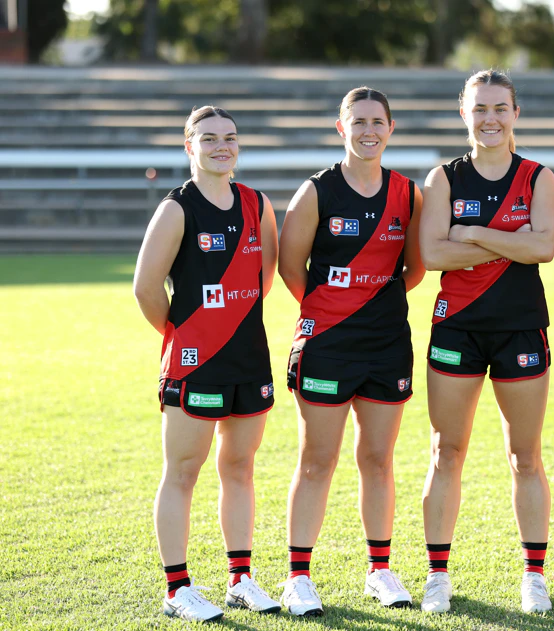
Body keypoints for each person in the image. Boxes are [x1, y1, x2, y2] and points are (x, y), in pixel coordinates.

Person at [277, 87, 425, 616]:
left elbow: (414, 269)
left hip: (387, 344)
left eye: (377, 121)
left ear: (390, 128)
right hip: (327, 344)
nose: (368, 130)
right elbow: (290, 267)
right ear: (341, 128)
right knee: (317, 460)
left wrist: (369, 304)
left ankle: (379, 571)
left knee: (378, 459)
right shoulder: (317, 192)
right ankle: (297, 578)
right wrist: (334, 308)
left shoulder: (408, 194)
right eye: (357, 121)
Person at [418, 69, 554, 614]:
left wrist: (474, 233)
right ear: (465, 113)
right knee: (446, 451)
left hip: (520, 327)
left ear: (515, 113)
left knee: (525, 456)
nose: (490, 119)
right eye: (479, 108)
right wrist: (512, 241)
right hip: (457, 327)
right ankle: (437, 575)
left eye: (500, 108)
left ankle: (533, 576)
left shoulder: (538, 179)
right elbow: (434, 255)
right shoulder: (444, 179)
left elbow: (543, 248)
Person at [133, 105, 281, 622]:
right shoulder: (177, 209)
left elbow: (262, 280)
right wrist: (184, 335)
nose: (222, 146)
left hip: (249, 357)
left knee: (239, 467)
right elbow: (146, 288)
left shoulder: (258, 204)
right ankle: (177, 589)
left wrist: (230, 325)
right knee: (183, 472)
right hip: (195, 362)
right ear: (189, 146)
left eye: (230, 137)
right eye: (209, 138)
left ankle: (240, 579)